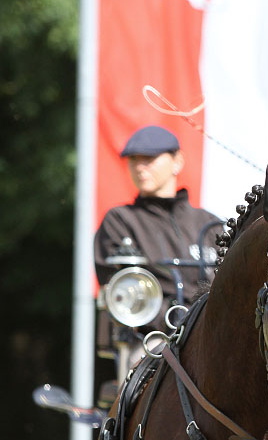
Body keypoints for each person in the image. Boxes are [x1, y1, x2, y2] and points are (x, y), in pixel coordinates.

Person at [94, 126, 221, 332]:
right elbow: (122, 293)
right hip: (153, 338)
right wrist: (183, 325)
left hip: (214, 333)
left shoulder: (209, 224)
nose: (140, 167)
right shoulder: (120, 221)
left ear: (177, 161)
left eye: (149, 158)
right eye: (134, 160)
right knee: (147, 361)